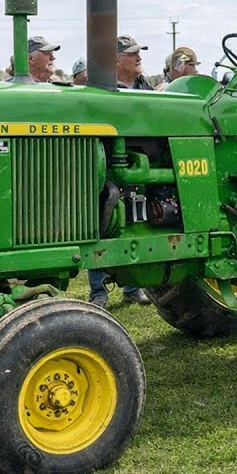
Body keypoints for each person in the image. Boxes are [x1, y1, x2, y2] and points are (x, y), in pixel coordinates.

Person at [89, 35, 154, 307]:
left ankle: (133, 287)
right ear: (116, 60)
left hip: (140, 162)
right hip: (110, 165)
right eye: (132, 54)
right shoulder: (102, 88)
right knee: (103, 224)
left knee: (136, 223)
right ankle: (98, 291)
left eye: (139, 52)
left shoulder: (145, 85)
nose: (138, 57)